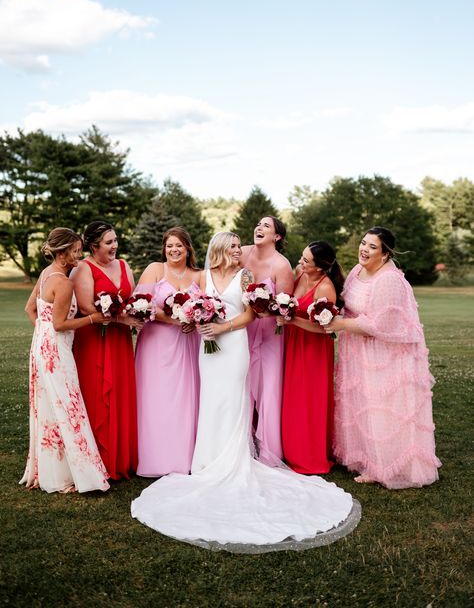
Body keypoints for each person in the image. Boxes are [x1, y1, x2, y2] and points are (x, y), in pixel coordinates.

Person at [131, 232, 360, 552]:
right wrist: (194, 319)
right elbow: (191, 305)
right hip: (207, 349)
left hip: (234, 344)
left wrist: (223, 327)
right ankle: (206, 462)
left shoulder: (246, 277)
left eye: (241, 246)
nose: (241, 251)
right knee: (211, 402)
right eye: (236, 246)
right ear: (223, 249)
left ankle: (233, 460)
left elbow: (251, 314)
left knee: (232, 400)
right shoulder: (203, 276)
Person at [326, 227, 441, 489]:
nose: (364, 249)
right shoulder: (357, 271)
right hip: (357, 350)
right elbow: (348, 302)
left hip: (384, 354)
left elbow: (381, 324)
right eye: (363, 243)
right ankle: (365, 457)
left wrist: (341, 324)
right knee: (361, 403)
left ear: (386, 253)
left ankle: (384, 465)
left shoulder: (389, 280)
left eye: (372, 247)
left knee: (380, 405)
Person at [20, 228, 109, 493]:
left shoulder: (46, 274)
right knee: (69, 407)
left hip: (41, 346)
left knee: (49, 408)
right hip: (56, 351)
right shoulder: (64, 282)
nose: (79, 254)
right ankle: (78, 475)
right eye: (75, 250)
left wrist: (42, 334)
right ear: (62, 252)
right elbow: (60, 324)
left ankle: (53, 471)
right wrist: (93, 319)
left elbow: (30, 309)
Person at [72, 221, 139, 480]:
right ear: (93, 246)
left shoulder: (123, 265)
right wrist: (124, 319)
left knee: (120, 394)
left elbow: (131, 301)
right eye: (109, 242)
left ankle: (121, 458)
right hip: (94, 341)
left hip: (119, 342)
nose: (114, 246)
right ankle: (97, 461)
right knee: (97, 395)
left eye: (115, 241)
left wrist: (136, 312)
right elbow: (88, 307)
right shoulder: (83, 269)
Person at [134, 227, 201, 476]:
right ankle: (154, 457)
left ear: (188, 249)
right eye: (169, 245)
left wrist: (193, 318)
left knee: (184, 398)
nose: (173, 250)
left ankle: (183, 458)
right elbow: (141, 304)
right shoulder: (155, 269)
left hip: (187, 344)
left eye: (179, 246)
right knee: (156, 397)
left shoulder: (199, 275)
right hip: (156, 343)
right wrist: (175, 320)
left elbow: (207, 304)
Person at [280, 241, 344, 475]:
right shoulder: (299, 274)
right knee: (293, 397)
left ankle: (309, 454)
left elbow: (326, 329)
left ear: (320, 267)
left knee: (309, 400)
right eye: (302, 257)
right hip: (294, 342)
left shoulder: (325, 287)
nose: (301, 262)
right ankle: (291, 449)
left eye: (307, 260)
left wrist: (291, 320)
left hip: (313, 349)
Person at [240, 216, 294, 462]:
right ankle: (240, 446)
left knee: (268, 390)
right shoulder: (241, 253)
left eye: (266, 226)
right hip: (240, 331)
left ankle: (269, 452)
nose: (259, 227)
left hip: (269, 335)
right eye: (258, 224)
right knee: (240, 387)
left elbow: (285, 307)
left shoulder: (281, 265)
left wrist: (265, 308)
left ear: (277, 237)